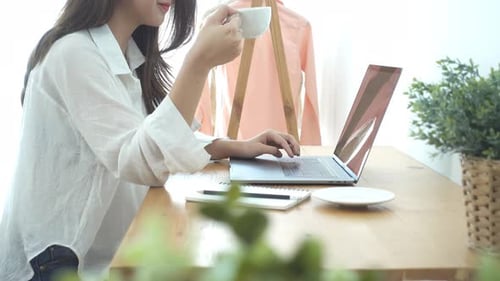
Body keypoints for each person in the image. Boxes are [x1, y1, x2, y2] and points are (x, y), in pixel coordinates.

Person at [0, 0, 300, 280]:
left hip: (91, 251)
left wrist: (228, 146)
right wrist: (198, 63)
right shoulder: (74, 54)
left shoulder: (124, 55)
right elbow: (141, 161)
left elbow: (141, 136)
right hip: (54, 261)